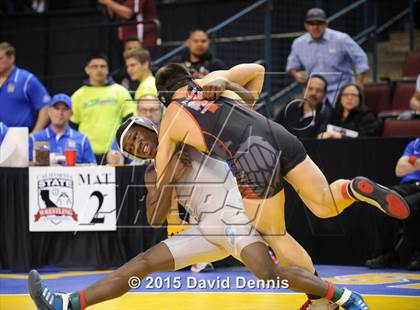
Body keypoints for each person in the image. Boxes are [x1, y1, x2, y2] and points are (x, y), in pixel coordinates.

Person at [28, 116, 369, 310]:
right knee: (142, 264)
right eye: (131, 148)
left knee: (267, 272)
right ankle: (70, 304)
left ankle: (340, 295)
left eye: (137, 136)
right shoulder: (153, 172)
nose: (138, 145)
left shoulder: (183, 133)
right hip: (206, 229)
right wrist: (167, 181)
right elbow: (154, 219)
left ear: (150, 126)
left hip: (236, 213)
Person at [152, 63, 410, 298]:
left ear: (164, 98)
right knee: (324, 203)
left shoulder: (170, 119)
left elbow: (162, 178)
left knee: (273, 233)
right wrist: (232, 91)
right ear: (189, 77)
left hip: (250, 157)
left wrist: (172, 211)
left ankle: (320, 298)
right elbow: (258, 70)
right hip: (277, 135)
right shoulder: (213, 78)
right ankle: (353, 188)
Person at [286, 8, 369, 105]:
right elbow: (291, 66)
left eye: (319, 23)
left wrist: (358, 86)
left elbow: (361, 59)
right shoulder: (298, 43)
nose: (315, 27)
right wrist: (296, 75)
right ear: (306, 25)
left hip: (340, 91)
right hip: (315, 93)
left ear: (326, 24)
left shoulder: (341, 39)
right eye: (312, 24)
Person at [70, 53, 136, 164]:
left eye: (102, 66)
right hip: (85, 155)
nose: (99, 69)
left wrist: (118, 149)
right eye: (94, 66)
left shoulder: (121, 92)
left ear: (107, 69)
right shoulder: (77, 95)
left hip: (114, 155)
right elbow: (72, 128)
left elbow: (130, 124)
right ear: (87, 70)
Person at [366, 138, 420, 270]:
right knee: (380, 199)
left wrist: (412, 160)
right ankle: (387, 253)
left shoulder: (413, 150)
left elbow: (406, 164)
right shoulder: (415, 143)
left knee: (408, 205)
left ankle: (416, 254)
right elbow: (399, 170)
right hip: (409, 185)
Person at [28, 93, 96, 164]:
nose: (60, 113)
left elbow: (92, 167)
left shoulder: (82, 140)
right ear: (49, 111)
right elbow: (24, 166)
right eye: (56, 108)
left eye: (65, 109)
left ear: (71, 114)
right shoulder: (34, 138)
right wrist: (46, 160)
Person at [0, 42, 50, 133]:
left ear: (11, 58)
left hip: (18, 135)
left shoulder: (26, 79)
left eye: (0, 58)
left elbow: (45, 107)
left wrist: (35, 134)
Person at [275, 74, 333, 139]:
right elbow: (274, 129)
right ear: (304, 90)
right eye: (310, 89)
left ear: (324, 95)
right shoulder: (291, 108)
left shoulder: (328, 115)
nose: (313, 93)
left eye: (318, 90)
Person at [318, 83, 382, 139]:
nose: (349, 98)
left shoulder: (367, 116)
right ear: (340, 98)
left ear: (360, 98)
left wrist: (341, 137)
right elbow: (321, 131)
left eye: (354, 95)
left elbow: (366, 138)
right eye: (345, 95)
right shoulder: (332, 114)